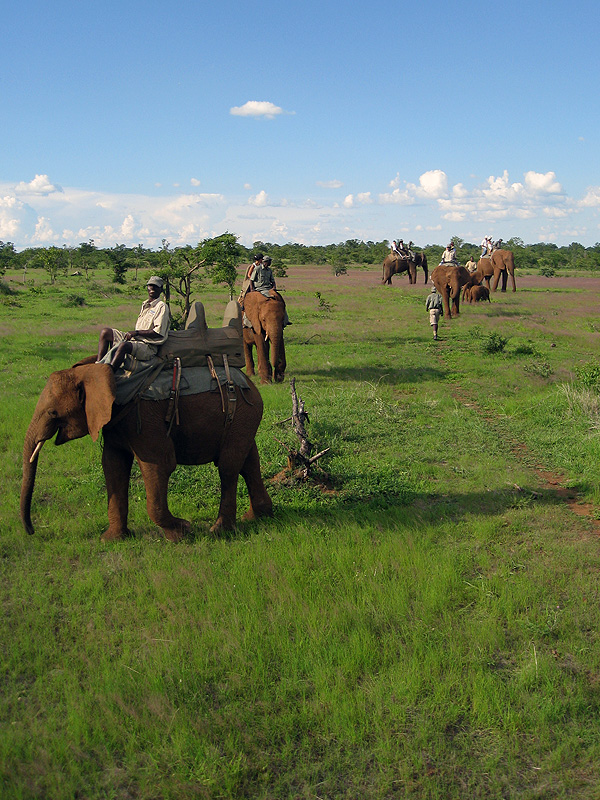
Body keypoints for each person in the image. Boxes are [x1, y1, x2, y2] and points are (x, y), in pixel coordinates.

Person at [96, 276, 170, 370]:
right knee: (105, 332)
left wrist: (136, 333)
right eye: (150, 286)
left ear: (161, 289)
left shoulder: (161, 307)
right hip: (136, 339)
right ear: (147, 288)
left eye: (156, 286)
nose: (152, 289)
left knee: (123, 346)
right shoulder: (145, 305)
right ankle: (98, 365)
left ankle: (110, 372)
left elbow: (158, 333)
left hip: (147, 346)